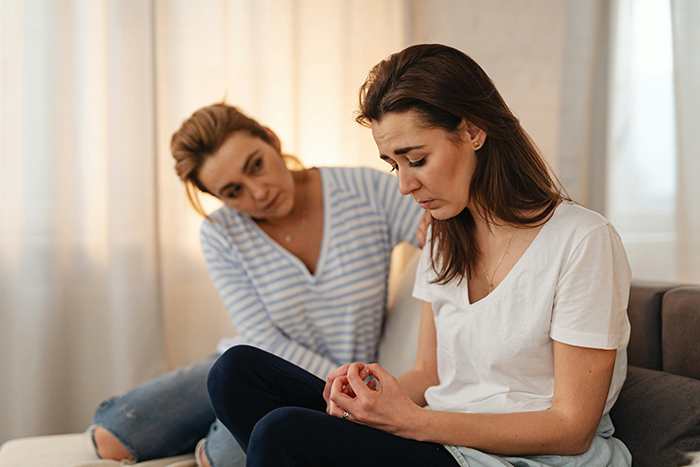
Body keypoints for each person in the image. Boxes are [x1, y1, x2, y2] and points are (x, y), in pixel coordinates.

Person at [206, 44, 633, 467]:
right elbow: (429, 375)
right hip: (439, 440)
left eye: (416, 159)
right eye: (395, 165)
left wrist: (410, 422)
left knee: (282, 433)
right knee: (236, 373)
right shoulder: (444, 237)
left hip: (517, 458)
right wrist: (366, 394)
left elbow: (571, 428)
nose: (404, 185)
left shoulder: (583, 240)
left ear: (473, 131)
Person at [90, 103, 424, 467]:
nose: (259, 192)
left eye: (256, 165)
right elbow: (260, 337)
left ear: (272, 140)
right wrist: (337, 387)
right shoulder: (221, 234)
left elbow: (440, 222)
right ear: (220, 198)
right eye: (234, 191)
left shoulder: (363, 190)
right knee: (111, 440)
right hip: (253, 367)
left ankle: (211, 436)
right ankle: (212, 417)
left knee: (220, 459)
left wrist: (436, 229)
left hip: (329, 386)